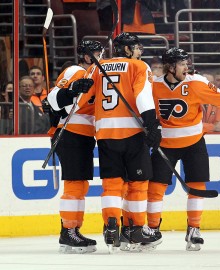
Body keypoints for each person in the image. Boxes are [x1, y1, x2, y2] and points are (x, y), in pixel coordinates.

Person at [146, 47, 220, 251]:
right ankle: (153, 228)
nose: (186, 67)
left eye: (186, 63)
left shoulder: (196, 82)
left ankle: (194, 229)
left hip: (193, 143)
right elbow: (143, 108)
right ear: (170, 67)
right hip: (165, 144)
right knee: (155, 188)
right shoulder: (154, 86)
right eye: (182, 64)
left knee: (197, 186)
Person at [76, 32, 162, 252]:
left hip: (104, 133)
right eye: (137, 47)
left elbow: (81, 100)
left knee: (112, 182)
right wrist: (152, 125)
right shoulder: (138, 66)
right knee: (137, 183)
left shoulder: (98, 67)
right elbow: (143, 95)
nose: (140, 52)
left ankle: (111, 225)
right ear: (126, 49)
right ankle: (135, 228)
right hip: (132, 132)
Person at [47, 40, 103, 254]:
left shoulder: (97, 76)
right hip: (70, 133)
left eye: (100, 52)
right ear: (86, 56)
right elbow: (53, 99)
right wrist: (71, 90)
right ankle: (67, 232)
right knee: (74, 185)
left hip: (84, 136)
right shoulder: (76, 70)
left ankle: (74, 230)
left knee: (81, 185)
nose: (99, 56)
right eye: (95, 53)